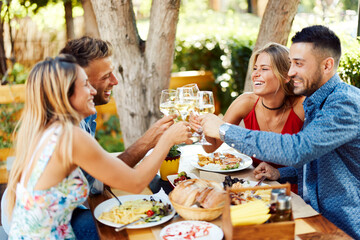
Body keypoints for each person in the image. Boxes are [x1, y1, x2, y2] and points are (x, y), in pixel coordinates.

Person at [1, 37, 176, 239]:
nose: (92, 91)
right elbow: (135, 182)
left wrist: (153, 139)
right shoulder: (69, 135)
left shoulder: (53, 127)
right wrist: (168, 139)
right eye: (85, 84)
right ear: (67, 92)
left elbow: (104, 172)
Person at [197, 25, 360, 239]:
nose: (291, 72)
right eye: (291, 63)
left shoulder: (344, 104)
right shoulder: (316, 101)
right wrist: (280, 174)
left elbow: (297, 149)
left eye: (298, 64)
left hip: (343, 226)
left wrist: (223, 130)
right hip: (309, 212)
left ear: (327, 65)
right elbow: (316, 159)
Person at [191, 42, 304, 193]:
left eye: (264, 69)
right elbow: (211, 147)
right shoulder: (245, 102)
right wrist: (201, 128)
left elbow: (314, 165)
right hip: (254, 186)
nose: (256, 74)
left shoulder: (302, 106)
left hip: (294, 191)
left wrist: (280, 173)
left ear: (285, 77)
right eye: (255, 68)